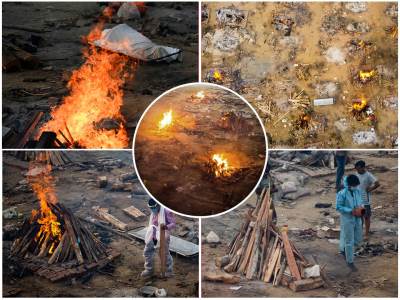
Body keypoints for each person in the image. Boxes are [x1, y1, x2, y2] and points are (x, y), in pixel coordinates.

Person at [141, 199, 176, 278]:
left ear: (158, 205)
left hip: (163, 233)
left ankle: (168, 271)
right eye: (151, 208)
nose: (153, 209)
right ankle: (149, 270)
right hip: (153, 233)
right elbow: (153, 222)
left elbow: (173, 224)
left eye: (154, 207)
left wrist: (166, 226)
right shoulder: (153, 212)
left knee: (164, 253)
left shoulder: (166, 211)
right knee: (147, 251)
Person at [336, 174, 364, 272]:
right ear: (349, 184)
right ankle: (350, 261)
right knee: (349, 241)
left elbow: (361, 202)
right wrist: (350, 210)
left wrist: (361, 209)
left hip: (357, 218)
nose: (355, 187)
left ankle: (343, 249)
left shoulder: (358, 191)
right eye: (354, 185)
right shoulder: (342, 193)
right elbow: (338, 207)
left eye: (356, 185)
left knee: (357, 239)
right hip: (347, 218)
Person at [354, 160, 380, 239]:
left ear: (363, 167)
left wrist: (371, 189)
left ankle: (367, 234)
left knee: (366, 217)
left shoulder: (368, 175)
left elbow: (377, 183)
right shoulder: (356, 174)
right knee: (359, 217)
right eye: (356, 169)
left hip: (366, 200)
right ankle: (359, 232)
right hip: (358, 200)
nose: (357, 170)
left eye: (359, 169)